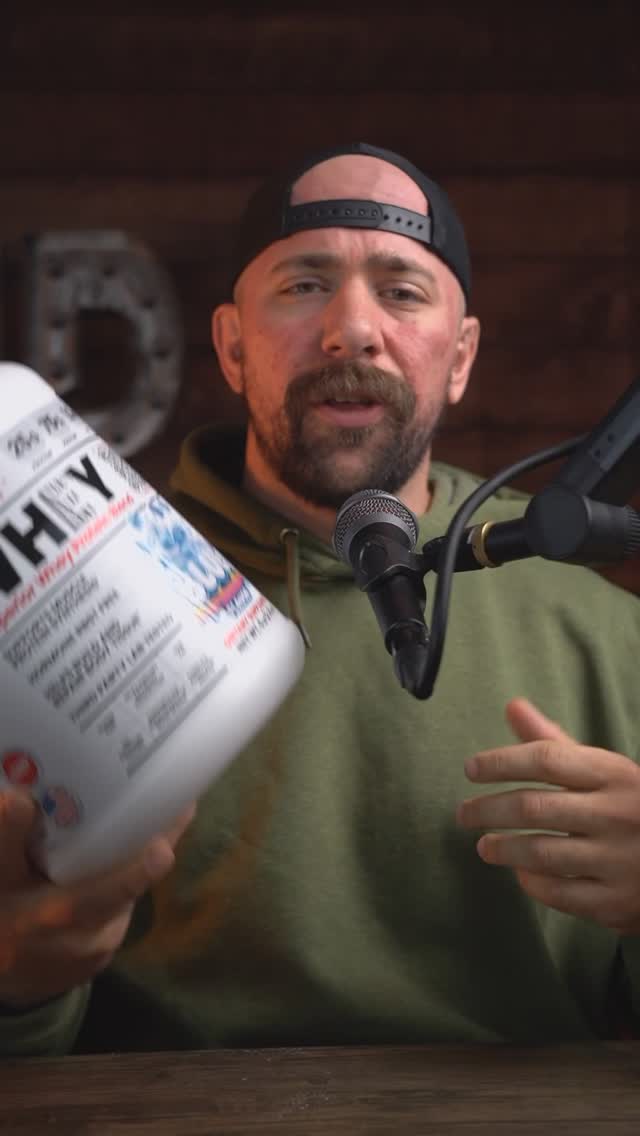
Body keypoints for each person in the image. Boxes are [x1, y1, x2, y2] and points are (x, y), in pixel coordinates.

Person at [2, 141, 640, 1057]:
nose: (352, 330)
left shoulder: (604, 632)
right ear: (232, 346)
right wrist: (20, 983)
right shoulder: (55, 608)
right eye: (304, 285)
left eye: (402, 291)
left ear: (461, 357)